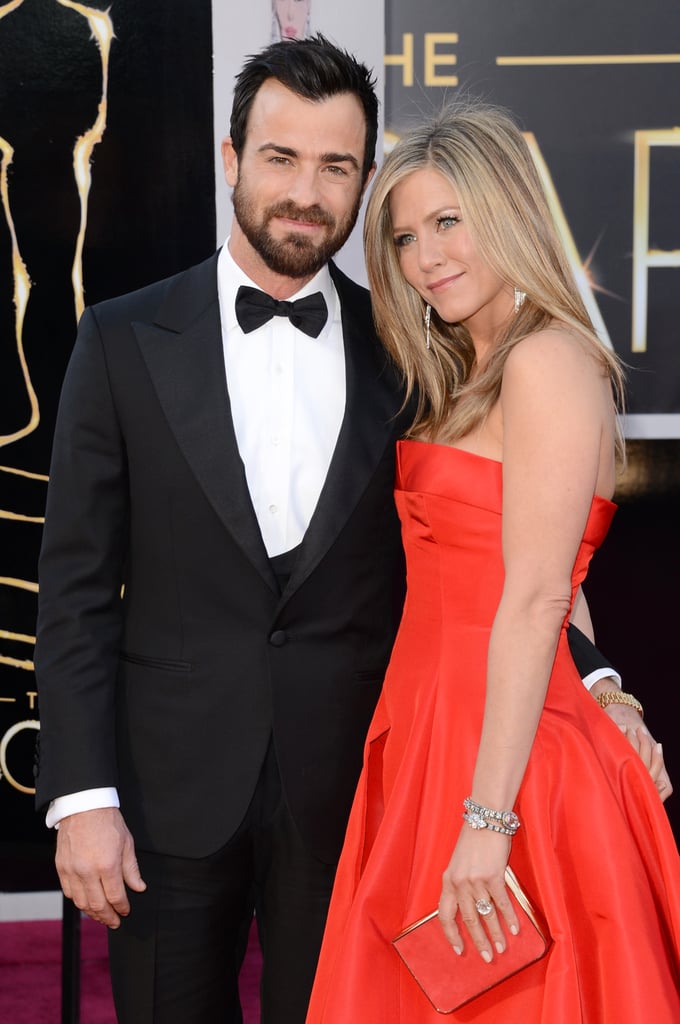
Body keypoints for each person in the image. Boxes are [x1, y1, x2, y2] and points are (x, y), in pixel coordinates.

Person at [33, 37, 669, 1024]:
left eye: (336, 166)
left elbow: (505, 552)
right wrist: (82, 795)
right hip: (169, 801)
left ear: (359, 178)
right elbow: (73, 586)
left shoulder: (411, 357)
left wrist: (595, 681)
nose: (306, 190)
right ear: (230, 157)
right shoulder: (120, 340)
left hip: (359, 795)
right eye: (281, 157)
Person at [306, 103, 680, 1023]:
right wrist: (611, 692)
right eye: (402, 237)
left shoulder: (545, 359)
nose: (426, 256)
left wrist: (487, 822)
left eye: (448, 222)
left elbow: (538, 593)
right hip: (440, 727)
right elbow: (567, 586)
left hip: (502, 766)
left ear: (507, 214)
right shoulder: (476, 369)